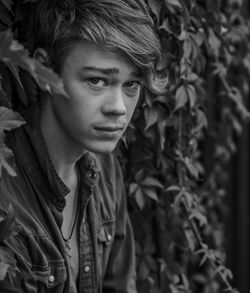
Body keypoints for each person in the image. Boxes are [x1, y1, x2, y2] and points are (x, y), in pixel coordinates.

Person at [0, 0, 165, 292]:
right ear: (43, 70)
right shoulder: (7, 199)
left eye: (132, 85)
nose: (119, 109)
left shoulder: (104, 172)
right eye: (98, 81)